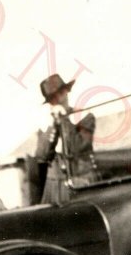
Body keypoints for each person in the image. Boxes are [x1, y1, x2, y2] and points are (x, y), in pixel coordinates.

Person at [34, 74, 97, 204]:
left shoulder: (85, 117)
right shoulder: (48, 123)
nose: (58, 100)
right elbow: (41, 156)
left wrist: (64, 120)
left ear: (67, 92)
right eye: (53, 98)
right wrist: (54, 125)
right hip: (55, 187)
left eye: (60, 94)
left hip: (81, 180)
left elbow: (76, 147)